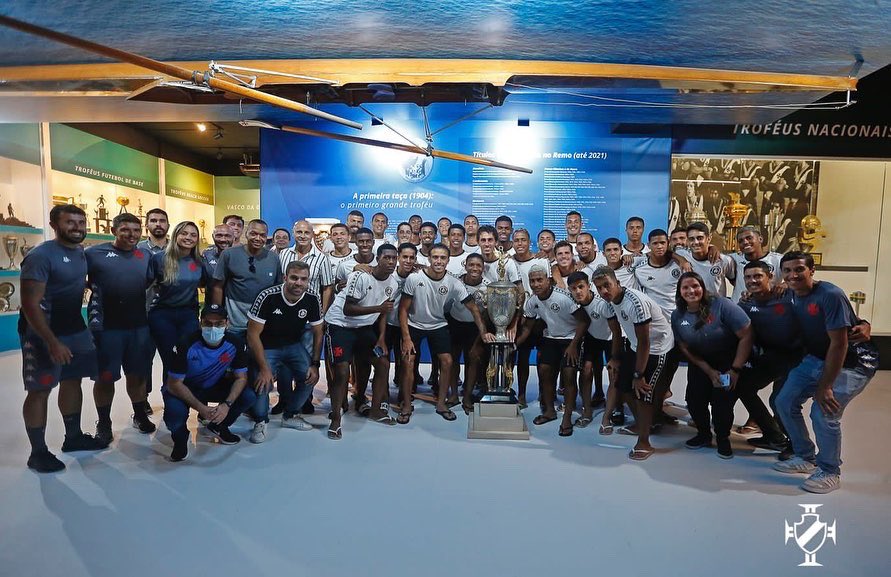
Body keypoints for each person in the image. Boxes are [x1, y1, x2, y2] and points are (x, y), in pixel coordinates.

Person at [772, 252, 878, 493]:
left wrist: (826, 385)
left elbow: (840, 344)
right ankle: (805, 456)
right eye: (787, 270)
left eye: (799, 269)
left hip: (853, 362)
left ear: (812, 270)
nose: (792, 275)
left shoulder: (830, 294)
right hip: (817, 357)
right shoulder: (790, 293)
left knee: (823, 413)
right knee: (784, 401)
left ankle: (830, 471)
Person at [20, 205, 108, 472]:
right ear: (54, 225)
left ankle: (73, 437)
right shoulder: (40, 256)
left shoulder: (80, 252)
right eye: (70, 222)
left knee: (73, 380)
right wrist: (52, 342)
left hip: (75, 328)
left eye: (81, 222)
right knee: (40, 389)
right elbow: (30, 305)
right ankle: (38, 452)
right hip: (42, 332)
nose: (77, 227)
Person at [398, 244, 493, 423]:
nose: (439, 261)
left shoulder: (454, 283)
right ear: (429, 259)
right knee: (408, 361)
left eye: (443, 258)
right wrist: (406, 338)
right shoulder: (414, 278)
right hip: (414, 324)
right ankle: (406, 406)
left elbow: (474, 309)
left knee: (448, 361)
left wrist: (483, 333)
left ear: (448, 261)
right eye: (435, 257)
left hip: (438, 324)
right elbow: (403, 310)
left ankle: (442, 404)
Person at [592, 266, 676, 460]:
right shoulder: (609, 302)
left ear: (617, 283)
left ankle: (644, 442)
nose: (604, 291)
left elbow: (646, 342)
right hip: (635, 345)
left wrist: (639, 375)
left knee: (642, 393)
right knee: (623, 385)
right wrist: (615, 358)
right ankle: (644, 424)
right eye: (599, 288)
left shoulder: (635, 303)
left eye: (607, 285)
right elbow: (616, 332)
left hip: (657, 348)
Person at [86, 213, 155, 444]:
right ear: (113, 231)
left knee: (137, 376)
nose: (131, 234)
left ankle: (139, 415)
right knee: (105, 378)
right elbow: (80, 280)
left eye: (136, 230)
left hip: (138, 326)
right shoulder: (93, 253)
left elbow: (147, 282)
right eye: (125, 229)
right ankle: (104, 423)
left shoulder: (145, 255)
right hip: (106, 328)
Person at [671, 272, 753, 459]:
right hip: (700, 363)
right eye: (685, 287)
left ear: (702, 287)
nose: (691, 291)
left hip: (727, 362)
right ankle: (703, 434)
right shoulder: (677, 315)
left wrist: (735, 369)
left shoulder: (722, 305)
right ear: (679, 292)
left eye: (695, 286)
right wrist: (707, 370)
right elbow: (684, 346)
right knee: (694, 400)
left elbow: (747, 335)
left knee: (721, 403)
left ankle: (723, 438)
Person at [162, 303, 256, 462]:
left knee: (248, 396)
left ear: (227, 324)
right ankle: (180, 438)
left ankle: (220, 426)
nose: (213, 328)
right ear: (200, 323)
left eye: (219, 324)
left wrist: (226, 404)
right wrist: (201, 408)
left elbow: (241, 378)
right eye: (208, 323)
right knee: (174, 416)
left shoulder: (235, 343)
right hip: (184, 388)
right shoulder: (185, 343)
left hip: (213, 385)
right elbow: (174, 383)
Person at [324, 244, 400, 439]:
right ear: (378, 258)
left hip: (364, 328)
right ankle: (336, 420)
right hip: (340, 325)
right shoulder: (360, 276)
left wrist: (381, 338)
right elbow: (348, 309)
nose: (391, 262)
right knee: (342, 370)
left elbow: (384, 312)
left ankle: (375, 410)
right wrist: (378, 308)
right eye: (387, 258)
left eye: (394, 258)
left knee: (383, 363)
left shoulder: (393, 284)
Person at [246, 261, 324, 443]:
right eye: (294, 278)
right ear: (285, 278)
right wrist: (264, 369)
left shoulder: (312, 297)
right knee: (262, 382)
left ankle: (290, 415)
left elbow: (318, 331)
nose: (299, 283)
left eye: (303, 279)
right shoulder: (267, 296)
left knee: (310, 377)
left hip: (293, 345)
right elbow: (252, 335)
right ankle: (260, 421)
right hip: (266, 345)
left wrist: (315, 364)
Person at [516, 266, 586, 436]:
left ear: (548, 280)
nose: (536, 284)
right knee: (544, 371)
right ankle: (549, 411)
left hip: (570, 338)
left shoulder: (564, 298)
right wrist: (515, 344)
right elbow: (528, 327)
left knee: (569, 375)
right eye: (532, 281)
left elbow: (584, 321)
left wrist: (573, 345)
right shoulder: (532, 301)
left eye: (540, 280)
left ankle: (567, 417)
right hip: (551, 337)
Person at [147, 221, 209, 401]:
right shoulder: (159, 259)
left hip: (188, 315)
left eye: (193, 235)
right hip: (162, 315)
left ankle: (185, 399)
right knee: (170, 360)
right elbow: (146, 285)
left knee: (187, 358)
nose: (188, 237)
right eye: (184, 233)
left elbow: (205, 283)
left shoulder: (199, 261)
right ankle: (170, 402)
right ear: (176, 235)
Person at [210, 219, 283, 337]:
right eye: (253, 233)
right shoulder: (228, 254)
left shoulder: (274, 258)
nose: (258, 238)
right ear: (246, 234)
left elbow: (277, 289)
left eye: (262, 235)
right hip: (235, 324)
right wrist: (218, 315)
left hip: (263, 323)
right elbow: (218, 287)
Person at [567, 271, 613, 425]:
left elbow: (616, 329)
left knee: (613, 372)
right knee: (586, 370)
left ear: (589, 286)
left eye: (581, 287)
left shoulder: (602, 303)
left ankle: (615, 407)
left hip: (611, 338)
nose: (578, 291)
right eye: (574, 288)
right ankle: (587, 409)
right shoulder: (572, 303)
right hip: (592, 338)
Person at [513, 229, 550, 407]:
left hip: (542, 319)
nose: (520, 243)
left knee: (543, 359)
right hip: (521, 319)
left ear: (529, 242)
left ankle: (544, 394)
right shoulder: (508, 262)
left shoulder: (541, 261)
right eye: (517, 240)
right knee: (522, 358)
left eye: (523, 240)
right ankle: (521, 395)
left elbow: (549, 285)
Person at [449, 253, 490, 413]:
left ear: (483, 268)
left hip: (475, 328)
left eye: (478, 265)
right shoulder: (455, 282)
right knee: (452, 360)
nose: (474, 268)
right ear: (465, 266)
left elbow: (486, 315)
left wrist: (482, 334)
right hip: (455, 324)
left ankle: (467, 396)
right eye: (471, 265)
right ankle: (453, 394)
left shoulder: (488, 287)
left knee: (472, 360)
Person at [632, 229, 682, 316]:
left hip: (675, 317)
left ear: (668, 243)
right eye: (655, 243)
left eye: (662, 243)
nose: (659, 246)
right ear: (648, 245)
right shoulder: (639, 270)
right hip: (653, 319)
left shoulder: (679, 265)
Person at [728, 226, 784, 303]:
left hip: (769, 307)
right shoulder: (733, 259)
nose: (745, 242)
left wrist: (785, 285)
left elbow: (794, 276)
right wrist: (712, 247)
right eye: (740, 241)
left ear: (760, 239)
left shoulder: (778, 260)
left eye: (749, 238)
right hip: (739, 307)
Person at [678, 222, 733, 297]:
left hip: (717, 303)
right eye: (691, 239)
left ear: (709, 238)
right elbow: (667, 252)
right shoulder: (683, 256)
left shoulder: (724, 260)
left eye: (700, 238)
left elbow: (734, 280)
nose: (696, 242)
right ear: (687, 241)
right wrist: (681, 259)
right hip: (692, 303)